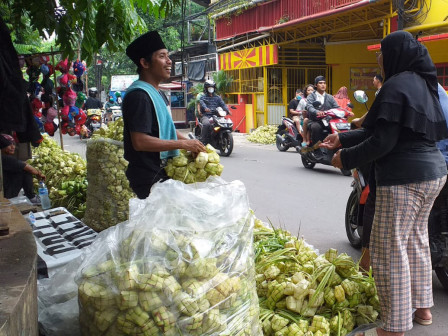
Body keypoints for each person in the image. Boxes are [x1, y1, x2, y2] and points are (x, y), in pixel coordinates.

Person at [321, 31, 448, 336]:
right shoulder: (425, 84)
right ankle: (422, 308)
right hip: (435, 174)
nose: (378, 58)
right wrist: (343, 137)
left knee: (389, 250)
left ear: (395, 55)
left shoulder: (394, 86)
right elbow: (390, 129)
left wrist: (345, 157)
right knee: (416, 240)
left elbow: (383, 141)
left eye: (381, 53)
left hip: (405, 177)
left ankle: (394, 326)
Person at [122, 31, 205, 199]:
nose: (169, 61)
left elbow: (165, 130)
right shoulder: (139, 95)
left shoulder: (156, 93)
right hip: (148, 176)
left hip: (160, 172)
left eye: (168, 56)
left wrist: (191, 143)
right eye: (162, 56)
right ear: (144, 63)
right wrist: (183, 145)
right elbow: (140, 142)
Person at [1, 134, 45, 204]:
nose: (13, 147)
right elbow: (30, 169)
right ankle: (31, 197)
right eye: (9, 145)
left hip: (5, 187)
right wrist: (39, 174)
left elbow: (22, 163)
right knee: (25, 171)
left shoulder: (3, 158)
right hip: (4, 193)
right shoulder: (5, 159)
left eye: (13, 144)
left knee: (22, 168)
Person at [306, 76, 339, 157]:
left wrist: (346, 111)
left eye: (324, 83)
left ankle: (335, 147)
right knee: (315, 128)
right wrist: (317, 112)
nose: (323, 85)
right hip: (315, 120)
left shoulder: (330, 97)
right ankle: (316, 149)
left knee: (339, 128)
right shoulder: (311, 96)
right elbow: (309, 107)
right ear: (316, 85)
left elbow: (337, 107)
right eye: (320, 83)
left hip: (328, 120)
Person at [198, 80, 230, 145]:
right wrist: (205, 108)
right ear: (206, 88)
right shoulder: (203, 97)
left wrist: (227, 110)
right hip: (206, 116)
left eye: (212, 87)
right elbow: (202, 104)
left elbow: (223, 104)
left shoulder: (217, 97)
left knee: (225, 123)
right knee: (207, 124)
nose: (211, 89)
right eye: (209, 87)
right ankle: (202, 140)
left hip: (217, 116)